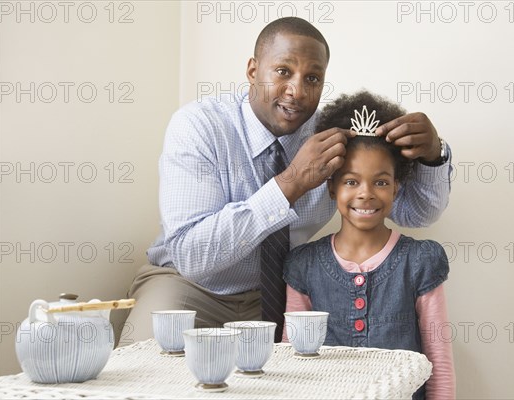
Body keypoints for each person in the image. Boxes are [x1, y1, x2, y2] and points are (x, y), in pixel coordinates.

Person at [121, 17, 452, 344]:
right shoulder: (199, 126)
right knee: (140, 375)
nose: (297, 91)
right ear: (253, 71)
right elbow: (192, 257)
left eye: (312, 78)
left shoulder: (333, 137)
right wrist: (291, 183)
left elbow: (417, 214)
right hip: (188, 285)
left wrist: (433, 153)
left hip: (280, 294)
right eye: (283, 71)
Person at [282, 91, 455, 399]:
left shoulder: (420, 261)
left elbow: (438, 362)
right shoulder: (303, 265)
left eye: (380, 182)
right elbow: (292, 361)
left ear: (396, 187)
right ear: (331, 187)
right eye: (351, 181)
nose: (366, 193)